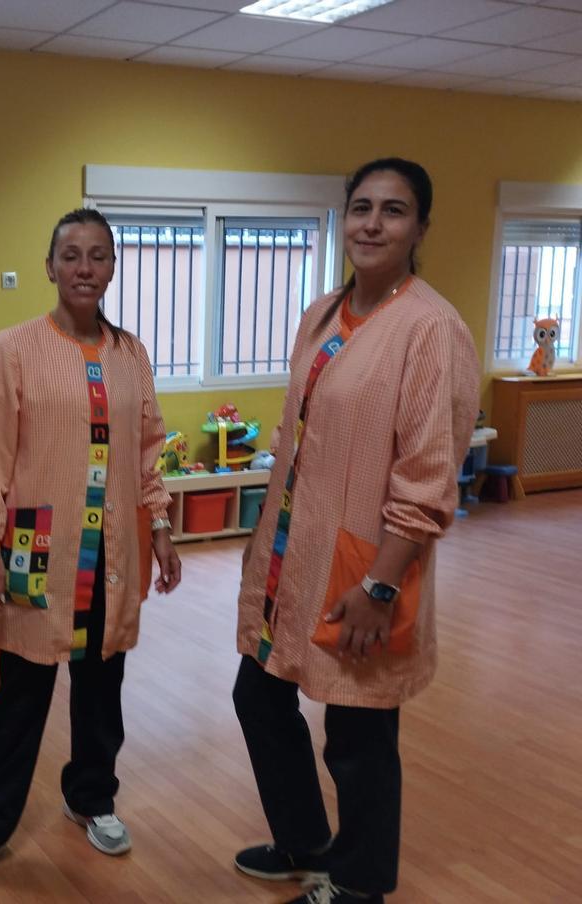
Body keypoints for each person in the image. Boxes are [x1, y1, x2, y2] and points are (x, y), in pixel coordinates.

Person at [231, 158, 481, 904]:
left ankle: (362, 881)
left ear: (420, 229)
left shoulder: (430, 329)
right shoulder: (323, 311)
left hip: (365, 568)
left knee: (360, 733)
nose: (373, 223)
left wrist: (380, 583)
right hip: (292, 554)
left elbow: (428, 477)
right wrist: (260, 533)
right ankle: (308, 844)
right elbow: (298, 435)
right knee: (260, 693)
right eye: (361, 207)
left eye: (394, 210)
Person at [0, 208, 182, 895]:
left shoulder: (131, 354)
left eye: (98, 256)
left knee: (103, 687)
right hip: (36, 542)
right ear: (49, 266)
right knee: (19, 693)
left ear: (112, 267)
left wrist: (160, 526)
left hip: (113, 549)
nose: (84, 269)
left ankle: (92, 797)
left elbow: (148, 447)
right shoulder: (16, 347)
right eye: (70, 255)